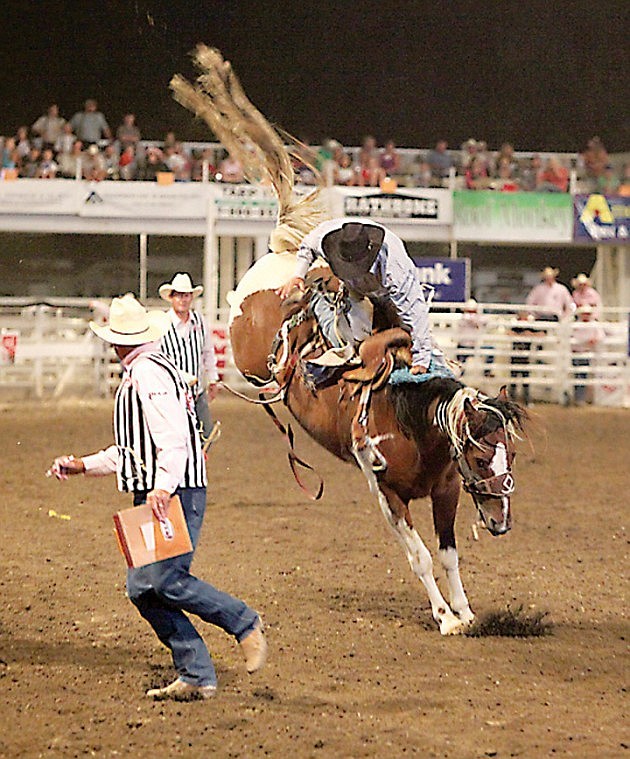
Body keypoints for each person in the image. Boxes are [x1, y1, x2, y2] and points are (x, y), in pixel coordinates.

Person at [48, 293, 266, 700]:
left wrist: (163, 487)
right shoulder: (146, 371)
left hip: (172, 489)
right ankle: (197, 673)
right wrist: (83, 465)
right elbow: (132, 449)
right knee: (143, 588)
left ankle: (243, 621)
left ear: (119, 341)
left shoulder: (147, 374)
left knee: (164, 580)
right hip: (160, 489)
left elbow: (173, 442)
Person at [277, 219, 444, 374]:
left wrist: (421, 360)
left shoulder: (395, 268)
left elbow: (415, 313)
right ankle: (318, 302)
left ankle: (443, 372)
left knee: (421, 343)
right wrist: (298, 275)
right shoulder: (325, 238)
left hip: (388, 294)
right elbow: (307, 246)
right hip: (354, 289)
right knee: (353, 341)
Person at [158, 273, 220, 444]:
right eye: (178, 295)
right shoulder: (162, 324)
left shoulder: (199, 322)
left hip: (196, 392)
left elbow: (208, 351)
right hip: (171, 394)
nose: (182, 300)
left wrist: (213, 379)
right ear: (171, 298)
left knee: (206, 436)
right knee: (176, 438)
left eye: (185, 295)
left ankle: (195, 468)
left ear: (191, 297)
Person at [571, 305, 605, 405]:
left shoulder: (594, 324)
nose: (586, 315)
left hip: (588, 353)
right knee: (578, 375)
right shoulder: (576, 325)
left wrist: (593, 340)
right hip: (577, 352)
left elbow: (600, 336)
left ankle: (582, 398)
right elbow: (573, 338)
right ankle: (578, 398)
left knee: (584, 376)